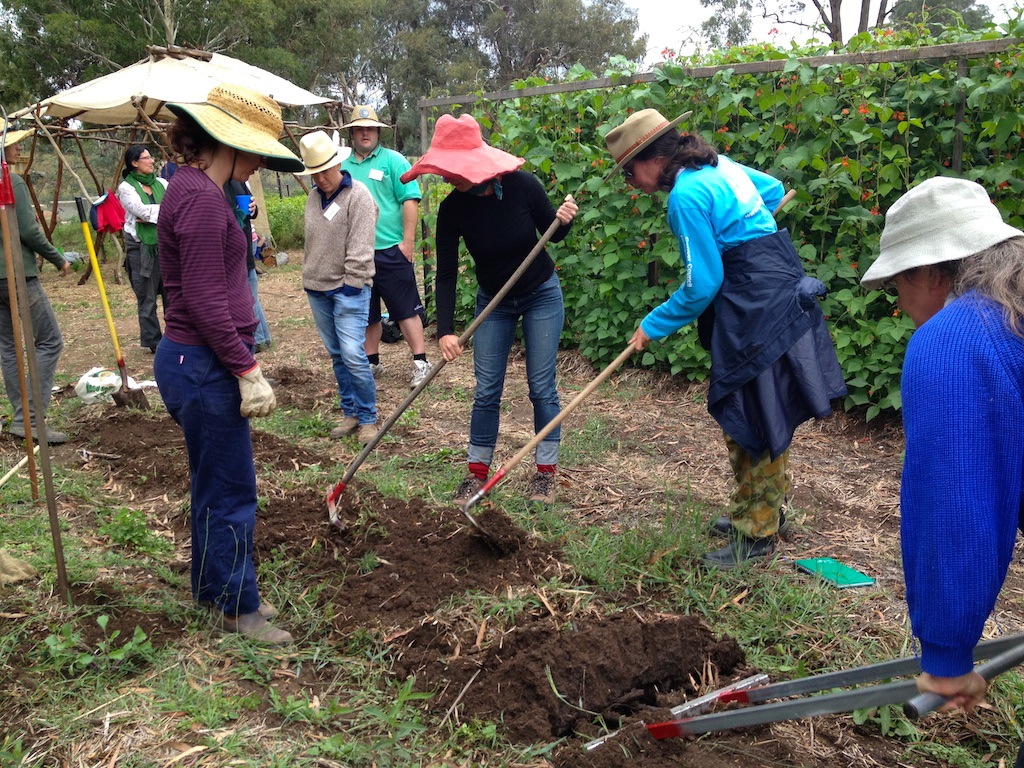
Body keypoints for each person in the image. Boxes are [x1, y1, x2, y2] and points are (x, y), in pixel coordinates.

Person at [603, 109, 846, 568]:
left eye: (628, 172)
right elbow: (771, 191)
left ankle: (756, 535)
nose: (629, 182)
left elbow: (701, 285)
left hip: (755, 302)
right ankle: (762, 510)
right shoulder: (718, 165)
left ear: (650, 160)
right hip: (773, 284)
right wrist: (742, 231)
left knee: (755, 413)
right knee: (761, 406)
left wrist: (653, 324)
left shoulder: (686, 198)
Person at [861, 177, 1024, 763]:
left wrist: (948, 656)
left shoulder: (956, 340)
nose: (900, 304)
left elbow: (958, 504)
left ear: (930, 272)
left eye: (897, 283)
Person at [156, 84, 302, 646]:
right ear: (227, 143)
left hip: (200, 357)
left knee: (212, 483)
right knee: (233, 490)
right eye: (257, 150)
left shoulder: (205, 191)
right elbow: (202, 299)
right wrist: (246, 368)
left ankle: (211, 588)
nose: (262, 162)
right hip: (204, 363)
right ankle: (237, 608)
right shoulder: (197, 198)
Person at [401, 114, 578, 506]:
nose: (447, 178)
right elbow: (445, 274)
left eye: (452, 170)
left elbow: (554, 232)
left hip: (540, 295)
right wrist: (444, 330)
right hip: (493, 303)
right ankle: (477, 473)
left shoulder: (522, 186)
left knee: (541, 386)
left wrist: (564, 220)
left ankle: (545, 475)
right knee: (486, 390)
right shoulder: (452, 209)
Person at [297, 130, 379, 444]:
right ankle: (351, 411)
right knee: (336, 355)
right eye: (313, 173)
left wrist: (351, 285)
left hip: (349, 289)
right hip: (316, 287)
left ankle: (368, 417)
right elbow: (312, 244)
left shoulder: (358, 196)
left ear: (337, 164)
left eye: (323, 171)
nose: (319, 178)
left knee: (352, 354)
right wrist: (311, 279)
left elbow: (361, 246)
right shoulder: (313, 198)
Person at [341, 105, 430, 388]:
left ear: (378, 132)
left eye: (370, 129)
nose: (365, 133)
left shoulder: (395, 161)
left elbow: (410, 200)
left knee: (405, 308)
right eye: (359, 129)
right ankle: (372, 362)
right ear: (352, 133)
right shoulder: (343, 167)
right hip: (357, 253)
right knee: (366, 311)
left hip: (391, 248)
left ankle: (420, 362)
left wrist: (408, 243)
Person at [0, 126, 70, 445]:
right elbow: (28, 231)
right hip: (15, 274)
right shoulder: (10, 180)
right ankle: (30, 418)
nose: (18, 148)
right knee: (50, 340)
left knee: (9, 347)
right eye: (12, 143)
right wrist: (58, 258)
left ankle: (20, 420)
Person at [116, 144, 168, 353]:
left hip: (166, 244)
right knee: (146, 295)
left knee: (171, 293)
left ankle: (176, 336)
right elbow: (141, 212)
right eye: (146, 158)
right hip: (141, 247)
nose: (151, 161)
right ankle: (154, 341)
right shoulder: (126, 188)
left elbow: (176, 206)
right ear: (135, 163)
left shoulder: (163, 183)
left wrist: (153, 213)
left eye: (150, 156)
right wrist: (162, 212)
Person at [225, 178, 272, 352]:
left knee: (249, 296)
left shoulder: (238, 181)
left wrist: (253, 208)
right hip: (238, 249)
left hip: (243, 249)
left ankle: (258, 338)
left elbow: (253, 210)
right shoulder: (219, 182)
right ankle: (261, 337)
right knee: (250, 296)